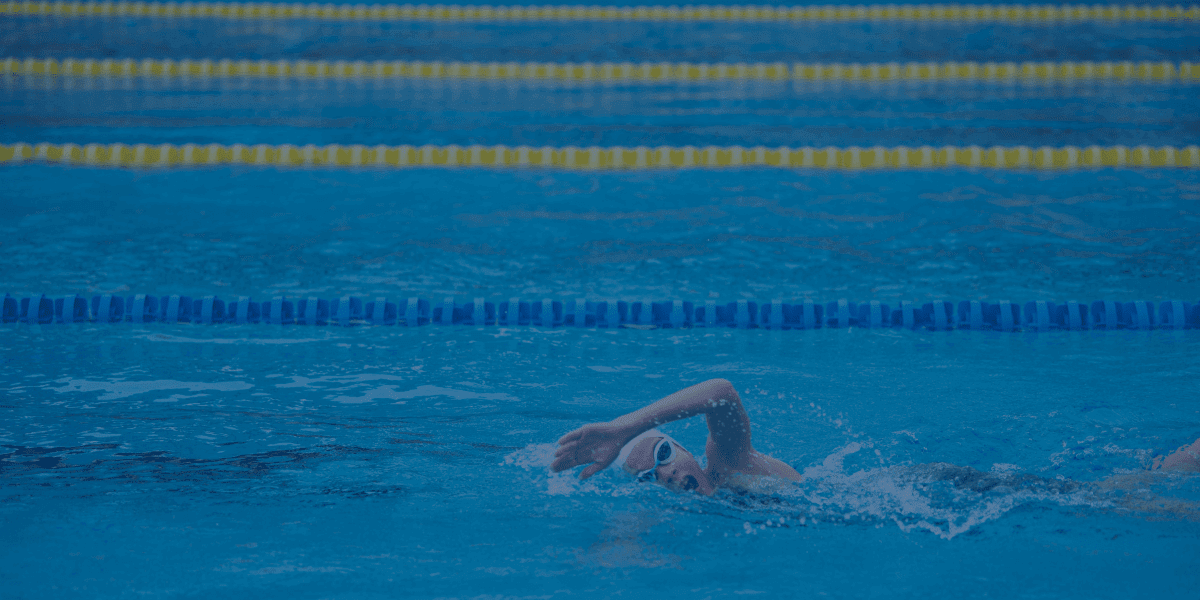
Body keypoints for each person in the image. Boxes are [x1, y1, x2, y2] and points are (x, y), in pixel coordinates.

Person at [551, 378, 1200, 497]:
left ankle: (1177, 467)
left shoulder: (730, 462)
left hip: (930, 493)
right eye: (648, 476)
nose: (662, 471)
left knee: (1104, 499)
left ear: (688, 449)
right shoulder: (710, 506)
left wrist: (623, 429)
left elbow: (722, 389)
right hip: (891, 515)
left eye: (664, 454)